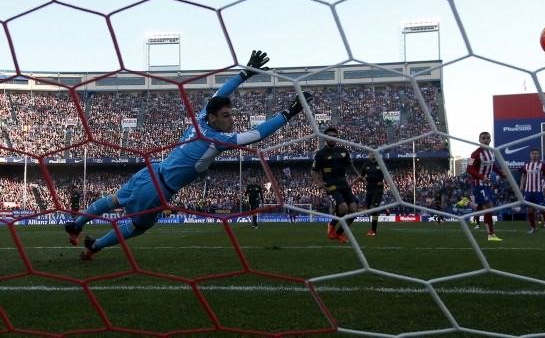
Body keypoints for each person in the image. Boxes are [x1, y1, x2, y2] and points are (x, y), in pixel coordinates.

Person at [64, 50, 314, 260]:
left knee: (114, 200)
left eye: (231, 115)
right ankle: (93, 247)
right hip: (159, 189)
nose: (231, 120)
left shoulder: (202, 119)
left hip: (150, 171)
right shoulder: (218, 140)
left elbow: (219, 94)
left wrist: (244, 73)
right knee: (137, 227)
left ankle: (77, 225)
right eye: (226, 116)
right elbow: (258, 134)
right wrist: (289, 113)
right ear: (215, 118)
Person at [311, 127, 365, 243]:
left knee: (354, 211)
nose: (332, 138)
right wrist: (319, 182)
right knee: (343, 209)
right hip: (331, 185)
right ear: (325, 138)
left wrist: (358, 175)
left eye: (334, 136)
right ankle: (331, 224)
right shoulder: (320, 154)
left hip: (344, 183)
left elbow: (350, 165)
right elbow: (313, 171)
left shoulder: (343, 151)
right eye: (330, 136)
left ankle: (339, 234)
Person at [465, 131, 505, 241]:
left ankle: (467, 203)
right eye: (483, 138)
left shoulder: (491, 152)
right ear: (479, 140)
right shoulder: (475, 154)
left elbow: (493, 166)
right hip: (478, 184)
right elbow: (469, 168)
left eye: (488, 138)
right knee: (489, 206)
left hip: (487, 185)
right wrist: (481, 177)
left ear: (490, 139)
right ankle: (491, 234)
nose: (486, 140)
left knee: (484, 207)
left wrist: (502, 174)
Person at [520, 148, 545, 234]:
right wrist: (521, 185)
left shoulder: (542, 165)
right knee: (529, 209)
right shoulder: (526, 165)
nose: (534, 155)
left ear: (538, 155)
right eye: (532, 153)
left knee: (543, 209)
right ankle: (533, 227)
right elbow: (523, 175)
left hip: (538, 190)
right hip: (528, 191)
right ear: (530, 155)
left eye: (536, 153)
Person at [358, 151, 385, 236]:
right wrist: (352, 183)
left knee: (374, 208)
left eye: (374, 153)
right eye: (371, 153)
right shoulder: (366, 164)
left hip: (378, 188)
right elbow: (360, 176)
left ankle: (373, 230)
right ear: (369, 154)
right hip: (369, 189)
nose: (372, 154)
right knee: (369, 209)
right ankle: (384, 209)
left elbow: (387, 174)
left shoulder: (381, 163)